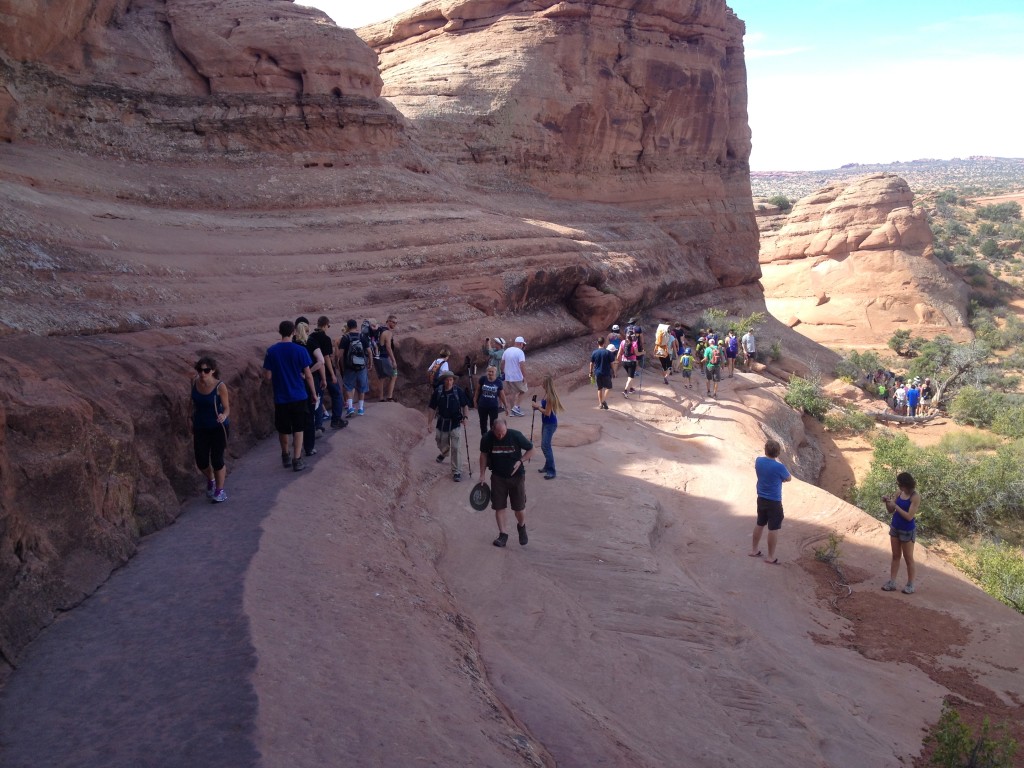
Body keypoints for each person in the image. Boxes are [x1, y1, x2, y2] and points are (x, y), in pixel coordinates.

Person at [263, 320, 318, 472]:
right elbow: (308, 375)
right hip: (299, 395)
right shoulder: (300, 350)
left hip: (281, 397)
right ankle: (297, 459)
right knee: (299, 428)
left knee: (283, 428)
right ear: (293, 332)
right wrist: (313, 393)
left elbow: (267, 376)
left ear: (279, 331)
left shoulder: (271, 351)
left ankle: (285, 454)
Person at [479, 417, 535, 547]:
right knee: (499, 506)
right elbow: (483, 455)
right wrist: (482, 474)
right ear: (493, 429)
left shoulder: (516, 435)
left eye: (503, 432)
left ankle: (521, 526)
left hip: (517, 477)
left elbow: (532, 450)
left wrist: (521, 461)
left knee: (519, 508)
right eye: (498, 433)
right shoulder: (487, 438)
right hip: (498, 477)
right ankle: (503, 535)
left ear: (506, 428)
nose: (500, 435)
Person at [192, 356, 231, 503]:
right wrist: (189, 420)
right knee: (201, 461)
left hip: (218, 427)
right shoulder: (194, 383)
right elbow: (192, 403)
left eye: (206, 370)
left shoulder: (220, 386)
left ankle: (220, 491)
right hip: (200, 426)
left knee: (217, 459)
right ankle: (211, 478)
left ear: (212, 370)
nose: (202, 373)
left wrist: (223, 415)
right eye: (200, 370)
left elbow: (227, 408)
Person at [749, 439, 792, 564]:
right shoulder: (779, 467)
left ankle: (754, 550)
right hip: (774, 501)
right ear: (778, 453)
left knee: (760, 523)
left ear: (765, 450)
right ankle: (770, 556)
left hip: (761, 498)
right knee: (773, 528)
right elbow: (788, 478)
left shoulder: (759, 461)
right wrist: (780, 479)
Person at [427, 370, 470, 482]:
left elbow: (465, 405)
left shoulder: (458, 391)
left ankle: (456, 471)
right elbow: (432, 407)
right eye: (447, 379)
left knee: (456, 447)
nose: (449, 382)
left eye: (451, 379)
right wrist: (429, 423)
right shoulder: (438, 391)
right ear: (443, 380)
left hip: (455, 422)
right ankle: (444, 452)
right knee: (440, 441)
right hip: (442, 422)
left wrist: (465, 417)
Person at [882, 472, 920, 594]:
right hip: (895, 527)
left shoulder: (915, 497)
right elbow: (890, 510)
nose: (899, 486)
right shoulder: (899, 493)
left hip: (907, 530)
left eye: (900, 484)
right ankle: (892, 582)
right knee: (895, 556)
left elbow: (909, 516)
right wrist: (887, 502)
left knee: (908, 558)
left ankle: (910, 584)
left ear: (906, 484)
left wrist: (896, 506)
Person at [309, 316, 348, 429]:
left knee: (318, 398)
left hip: (315, 371)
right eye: (328, 326)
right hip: (325, 372)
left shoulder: (311, 337)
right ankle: (336, 420)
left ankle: (318, 426)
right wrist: (332, 374)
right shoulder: (325, 338)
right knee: (337, 394)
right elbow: (326, 358)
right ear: (326, 325)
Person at [294, 319, 324, 456]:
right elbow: (321, 361)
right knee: (310, 415)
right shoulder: (310, 342)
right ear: (307, 330)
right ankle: (309, 447)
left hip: (295, 383)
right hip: (310, 382)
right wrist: (309, 373)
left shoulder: (293, 343)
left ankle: (296, 447)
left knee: (297, 415)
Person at [338, 319, 370, 417]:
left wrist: (341, 366)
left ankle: (351, 407)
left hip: (349, 367)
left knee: (348, 387)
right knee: (362, 387)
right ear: (356, 326)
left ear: (348, 326)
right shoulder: (362, 336)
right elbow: (369, 352)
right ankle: (360, 409)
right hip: (361, 366)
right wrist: (370, 363)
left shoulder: (345, 338)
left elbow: (340, 355)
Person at [532, 375, 562, 479]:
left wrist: (537, 407)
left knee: (545, 446)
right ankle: (547, 466)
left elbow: (547, 413)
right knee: (545, 445)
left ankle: (551, 470)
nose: (541, 384)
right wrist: (538, 407)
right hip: (546, 423)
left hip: (550, 423)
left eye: (543, 383)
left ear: (546, 384)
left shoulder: (550, 396)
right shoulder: (546, 394)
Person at [475, 365, 507, 435]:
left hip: (493, 406)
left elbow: (502, 394)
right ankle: (484, 438)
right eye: (489, 371)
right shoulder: (483, 379)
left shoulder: (498, 382)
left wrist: (506, 406)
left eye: (492, 371)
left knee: (493, 424)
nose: (490, 373)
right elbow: (477, 390)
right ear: (487, 372)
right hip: (482, 405)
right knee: (483, 423)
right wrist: (475, 400)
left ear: (495, 372)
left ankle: (492, 438)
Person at [501, 336, 528, 416]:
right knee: (524, 390)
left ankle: (511, 410)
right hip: (517, 376)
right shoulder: (520, 352)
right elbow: (522, 365)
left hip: (508, 376)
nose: (523, 346)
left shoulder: (507, 350)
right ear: (520, 344)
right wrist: (524, 377)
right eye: (523, 344)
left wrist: (503, 372)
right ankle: (516, 407)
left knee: (512, 392)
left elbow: (502, 363)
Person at [589, 335, 615, 409]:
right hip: (606, 372)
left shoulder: (594, 352)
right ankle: (603, 400)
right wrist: (614, 371)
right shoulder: (608, 353)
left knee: (599, 388)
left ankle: (600, 404)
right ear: (604, 343)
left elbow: (591, 363)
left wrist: (590, 372)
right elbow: (612, 363)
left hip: (597, 373)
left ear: (598, 343)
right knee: (608, 387)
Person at [617, 331, 640, 397]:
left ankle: (631, 388)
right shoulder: (634, 343)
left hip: (624, 362)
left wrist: (618, 360)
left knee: (630, 376)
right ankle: (625, 390)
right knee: (630, 377)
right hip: (632, 362)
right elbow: (637, 353)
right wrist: (643, 353)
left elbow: (619, 353)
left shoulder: (623, 342)